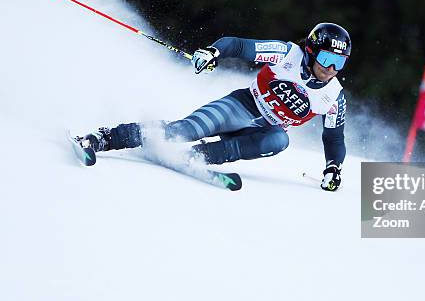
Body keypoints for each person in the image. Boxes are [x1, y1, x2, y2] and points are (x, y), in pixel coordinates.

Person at [76, 22, 350, 191]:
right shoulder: (286, 54)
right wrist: (213, 52)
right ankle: (103, 138)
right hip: (241, 106)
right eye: (327, 58)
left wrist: (333, 168)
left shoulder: (333, 96)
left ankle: (198, 157)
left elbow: (334, 137)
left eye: (340, 63)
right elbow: (240, 45)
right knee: (181, 131)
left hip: (262, 131)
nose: (331, 69)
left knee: (280, 140)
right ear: (313, 51)